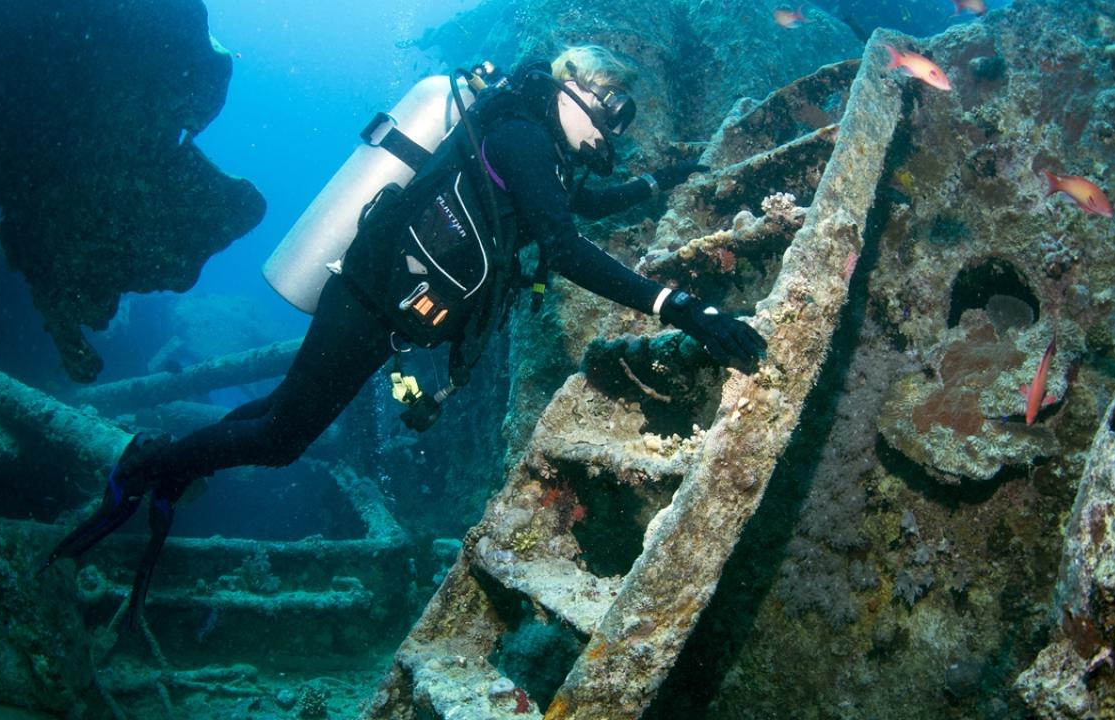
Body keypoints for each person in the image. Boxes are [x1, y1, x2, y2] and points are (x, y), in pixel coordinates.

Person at [39, 45, 766, 624]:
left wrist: (655, 183)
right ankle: (148, 463)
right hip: (365, 300)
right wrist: (679, 306)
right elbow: (565, 247)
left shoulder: (535, 145)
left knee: (278, 413)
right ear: (581, 92)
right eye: (613, 115)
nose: (612, 136)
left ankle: (168, 467)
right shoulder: (518, 135)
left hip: (382, 309)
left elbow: (574, 204)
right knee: (285, 434)